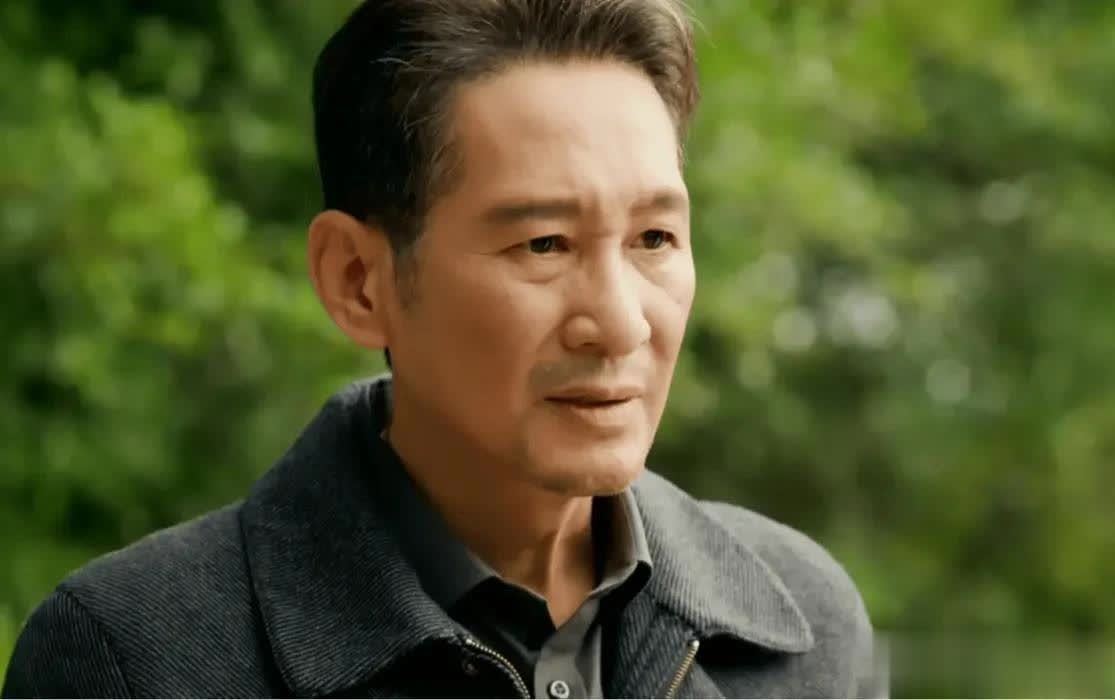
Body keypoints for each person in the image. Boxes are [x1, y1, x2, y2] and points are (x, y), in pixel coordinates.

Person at [2, 1, 885, 697]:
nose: (620, 324)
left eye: (653, 238)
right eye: (543, 244)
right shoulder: (133, 659)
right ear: (358, 280)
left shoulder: (801, 628)